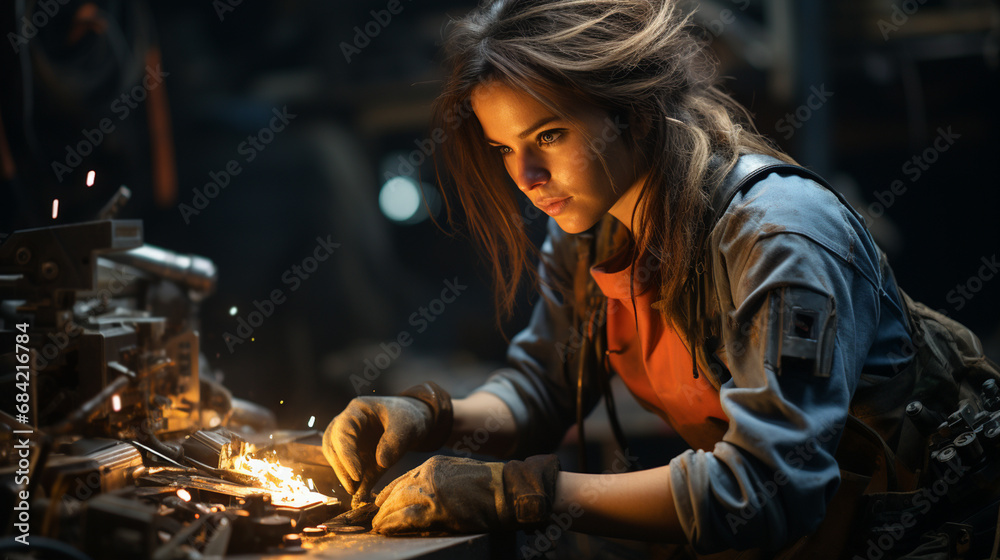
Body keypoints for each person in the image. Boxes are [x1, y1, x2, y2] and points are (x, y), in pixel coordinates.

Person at [323, 0, 1000, 557]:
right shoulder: (591, 230)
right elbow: (542, 387)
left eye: (549, 136)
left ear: (635, 114)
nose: (527, 178)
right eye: (506, 149)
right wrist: (430, 416)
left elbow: (767, 491)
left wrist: (525, 493)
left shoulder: (775, 239)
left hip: (931, 532)